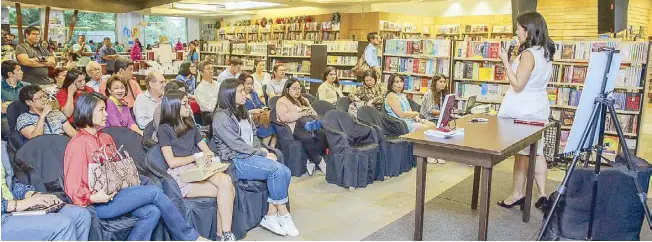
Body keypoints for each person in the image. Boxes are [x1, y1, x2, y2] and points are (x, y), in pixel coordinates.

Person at [62, 93, 208, 241]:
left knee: (152, 211)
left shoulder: (105, 138)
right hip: (97, 203)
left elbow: (117, 170)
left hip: (116, 194)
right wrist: (93, 197)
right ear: (87, 111)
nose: (106, 114)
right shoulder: (77, 144)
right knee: (153, 192)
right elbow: (72, 187)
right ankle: (190, 237)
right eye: (101, 110)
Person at [210, 78, 299, 237]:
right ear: (229, 94)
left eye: (244, 90)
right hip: (235, 160)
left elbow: (254, 137)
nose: (245, 93)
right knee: (277, 170)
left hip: (249, 156)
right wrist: (263, 153)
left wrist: (261, 151)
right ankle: (283, 214)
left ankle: (271, 215)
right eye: (240, 91)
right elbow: (236, 144)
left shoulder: (243, 112)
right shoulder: (221, 117)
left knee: (285, 171)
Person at [496, 11, 555, 211]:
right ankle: (543, 194)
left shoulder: (529, 54)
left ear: (528, 30)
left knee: (521, 155)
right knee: (537, 152)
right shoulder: (545, 51)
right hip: (538, 106)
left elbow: (518, 84)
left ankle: (518, 194)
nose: (516, 31)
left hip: (522, 109)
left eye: (519, 28)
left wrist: (505, 61)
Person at [158, 90, 236, 241]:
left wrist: (207, 156)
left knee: (226, 182)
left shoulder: (190, 124)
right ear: (173, 107)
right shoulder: (164, 129)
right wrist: (194, 158)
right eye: (185, 104)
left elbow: (207, 150)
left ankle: (224, 235)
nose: (189, 106)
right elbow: (172, 162)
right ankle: (223, 236)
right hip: (180, 174)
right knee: (228, 190)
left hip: (198, 167)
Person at [1, 142, 91, 241]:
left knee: (80, 215)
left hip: (13, 205)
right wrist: (19, 204)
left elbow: (10, 185)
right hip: (3, 216)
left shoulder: (2, 147)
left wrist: (33, 195)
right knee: (62, 225)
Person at [276, 78, 326, 175]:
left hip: (308, 123)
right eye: (294, 88)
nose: (297, 91)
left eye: (299, 88)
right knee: (308, 138)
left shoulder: (304, 99)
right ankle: (319, 161)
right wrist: (300, 114)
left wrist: (309, 112)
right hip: (293, 126)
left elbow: (314, 112)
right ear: (287, 90)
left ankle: (311, 160)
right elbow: (283, 117)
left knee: (322, 135)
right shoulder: (282, 101)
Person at [239, 73, 276, 147]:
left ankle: (272, 148)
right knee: (267, 126)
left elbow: (260, 104)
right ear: (241, 84)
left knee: (275, 125)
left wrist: (264, 108)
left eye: (251, 84)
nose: (250, 86)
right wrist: (252, 111)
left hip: (260, 117)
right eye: (247, 84)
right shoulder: (238, 96)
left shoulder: (253, 93)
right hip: (247, 118)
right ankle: (266, 148)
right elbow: (238, 111)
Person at [1, 60, 29, 136]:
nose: (22, 72)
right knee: (11, 132)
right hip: (6, 118)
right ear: (10, 74)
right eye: (18, 70)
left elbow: (33, 104)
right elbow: (1, 109)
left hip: (26, 116)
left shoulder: (27, 86)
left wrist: (10, 105)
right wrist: (23, 104)